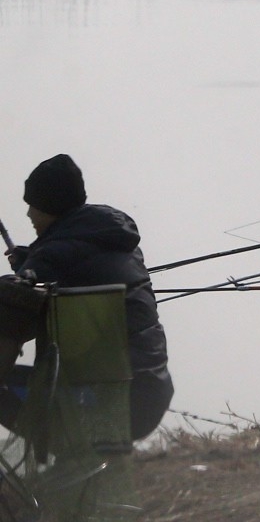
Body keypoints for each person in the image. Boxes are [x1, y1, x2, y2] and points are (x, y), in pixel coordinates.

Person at [0, 156, 172, 441]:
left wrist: (31, 267)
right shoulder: (110, 237)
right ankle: (74, 466)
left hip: (96, 403)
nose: (29, 214)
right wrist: (32, 261)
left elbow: (19, 298)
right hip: (146, 397)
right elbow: (71, 257)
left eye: (34, 205)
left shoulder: (55, 253)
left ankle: (63, 467)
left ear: (52, 208)